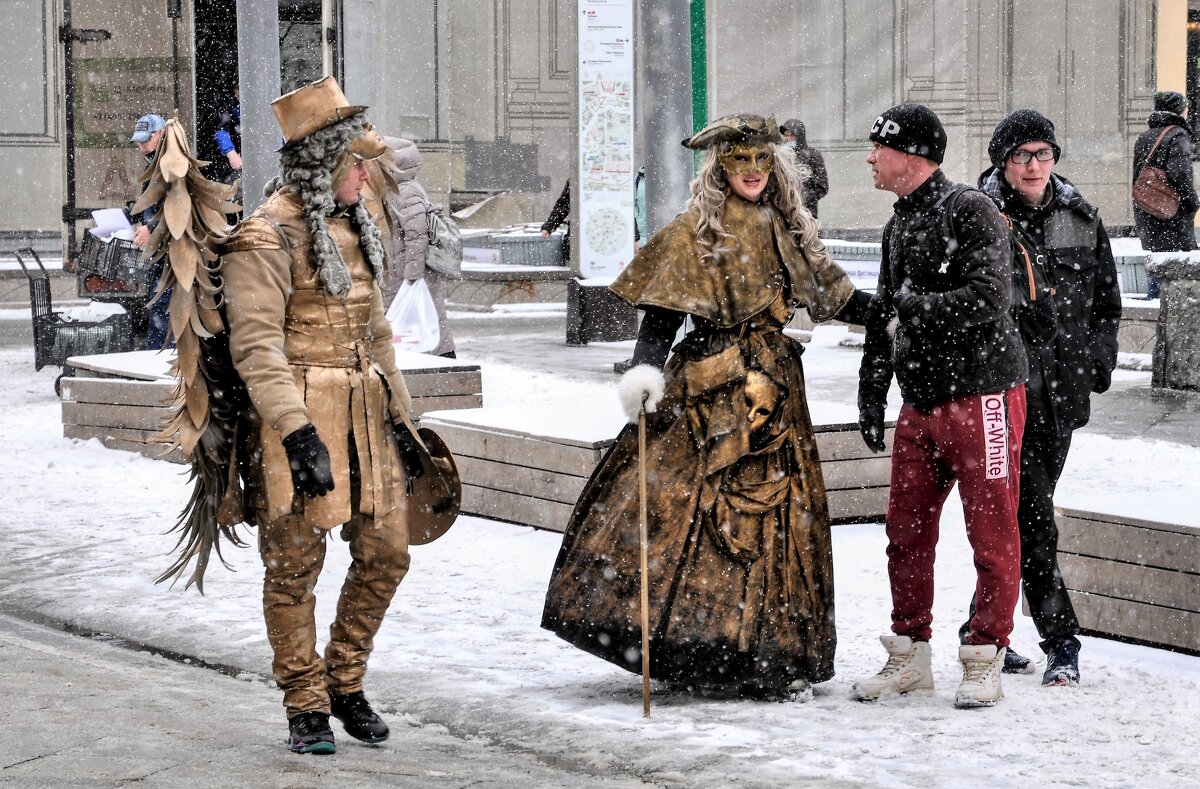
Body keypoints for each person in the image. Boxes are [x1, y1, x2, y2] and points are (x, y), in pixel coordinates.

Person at [542, 114, 870, 699]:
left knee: (777, 525)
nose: (752, 171)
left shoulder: (789, 229)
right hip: (707, 385)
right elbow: (662, 317)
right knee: (686, 514)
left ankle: (766, 650)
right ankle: (695, 641)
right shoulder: (694, 232)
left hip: (774, 387)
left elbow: (835, 295)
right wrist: (645, 377)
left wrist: (893, 314)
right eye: (740, 160)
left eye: (762, 161)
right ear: (720, 167)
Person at [219, 77, 415, 754]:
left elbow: (378, 327)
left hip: (365, 409)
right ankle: (304, 700)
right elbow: (257, 348)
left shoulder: (355, 225)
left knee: (388, 551)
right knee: (294, 565)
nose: (367, 173)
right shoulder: (264, 236)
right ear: (327, 165)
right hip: (298, 418)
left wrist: (405, 416)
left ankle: (343, 677)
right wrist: (298, 431)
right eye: (357, 161)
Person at [851, 104, 1029, 708]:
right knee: (904, 530)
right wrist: (872, 391)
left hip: (984, 397)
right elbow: (884, 313)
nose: (870, 158)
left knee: (993, 531)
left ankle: (985, 654)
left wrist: (913, 305)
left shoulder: (972, 211)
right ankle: (909, 654)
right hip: (920, 401)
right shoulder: (897, 225)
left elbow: (988, 297)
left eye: (879, 147)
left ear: (912, 155)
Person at [969, 109, 1121, 686]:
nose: (1034, 166)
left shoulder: (1081, 218)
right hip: (1003, 395)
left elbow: (1107, 302)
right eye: (1022, 156)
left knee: (1014, 514)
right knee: (1031, 517)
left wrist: (1100, 359)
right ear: (1002, 163)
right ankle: (1061, 640)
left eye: (1043, 154)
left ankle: (984, 627)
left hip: (1062, 396)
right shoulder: (980, 218)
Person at [380, 135, 456, 358]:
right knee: (421, 319)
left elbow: (417, 235)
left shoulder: (405, 190)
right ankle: (436, 357)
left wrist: (412, 277)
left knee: (421, 318)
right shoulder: (403, 187)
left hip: (405, 272)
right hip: (402, 269)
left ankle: (440, 359)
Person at [1132, 90, 1199, 299]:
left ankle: (1155, 309)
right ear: (1179, 110)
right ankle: (1171, 315)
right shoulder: (1177, 135)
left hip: (1148, 211)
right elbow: (1180, 174)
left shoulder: (1145, 136)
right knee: (1177, 269)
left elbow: (1138, 178)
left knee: (1158, 264)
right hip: (1170, 215)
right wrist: (1192, 203)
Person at [129, 113, 173, 350]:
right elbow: (153, 203)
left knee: (166, 314)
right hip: (161, 257)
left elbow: (179, 208)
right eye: (139, 141)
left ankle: (166, 371)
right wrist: (131, 216)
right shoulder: (155, 164)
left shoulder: (172, 165)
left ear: (162, 134)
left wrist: (152, 228)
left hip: (174, 258)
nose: (142, 146)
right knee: (159, 310)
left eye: (147, 139)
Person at [781, 119, 829, 218]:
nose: (789, 139)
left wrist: (801, 199)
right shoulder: (780, 156)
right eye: (787, 135)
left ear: (799, 136)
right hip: (782, 213)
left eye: (792, 135)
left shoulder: (812, 155)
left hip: (806, 213)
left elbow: (822, 187)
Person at [539, 179, 571, 259]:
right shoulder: (576, 179)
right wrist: (549, 226)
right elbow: (562, 206)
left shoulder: (576, 179)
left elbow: (562, 206)